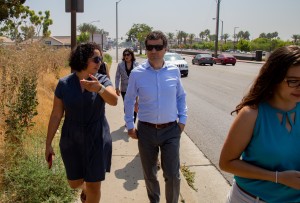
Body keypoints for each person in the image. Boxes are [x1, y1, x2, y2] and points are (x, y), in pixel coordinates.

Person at [219, 45, 300, 203]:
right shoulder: (251, 115)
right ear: (274, 78)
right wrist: (278, 177)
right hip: (252, 199)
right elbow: (227, 163)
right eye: (293, 81)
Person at [45, 42, 118, 203]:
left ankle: (89, 191)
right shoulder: (64, 84)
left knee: (94, 186)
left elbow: (114, 100)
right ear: (82, 59)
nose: (100, 63)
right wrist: (48, 143)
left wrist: (99, 89)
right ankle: (83, 188)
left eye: (101, 59)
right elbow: (56, 114)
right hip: (72, 138)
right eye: (96, 59)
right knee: (74, 183)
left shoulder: (102, 80)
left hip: (97, 137)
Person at [124, 31, 188, 203]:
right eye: (150, 47)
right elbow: (129, 100)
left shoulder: (174, 71)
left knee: (173, 175)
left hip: (171, 131)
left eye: (158, 47)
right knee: (150, 174)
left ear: (165, 49)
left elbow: (181, 96)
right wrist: (130, 124)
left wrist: (182, 120)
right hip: (146, 131)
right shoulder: (137, 73)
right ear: (146, 50)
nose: (154, 51)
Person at [115, 48, 139, 123]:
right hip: (124, 89)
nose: (126, 56)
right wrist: (116, 87)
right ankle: (128, 120)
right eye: (124, 55)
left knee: (134, 104)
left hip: (134, 88)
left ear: (131, 55)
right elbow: (117, 76)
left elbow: (139, 76)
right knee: (127, 105)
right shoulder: (120, 65)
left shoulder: (136, 64)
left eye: (128, 54)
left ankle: (133, 121)